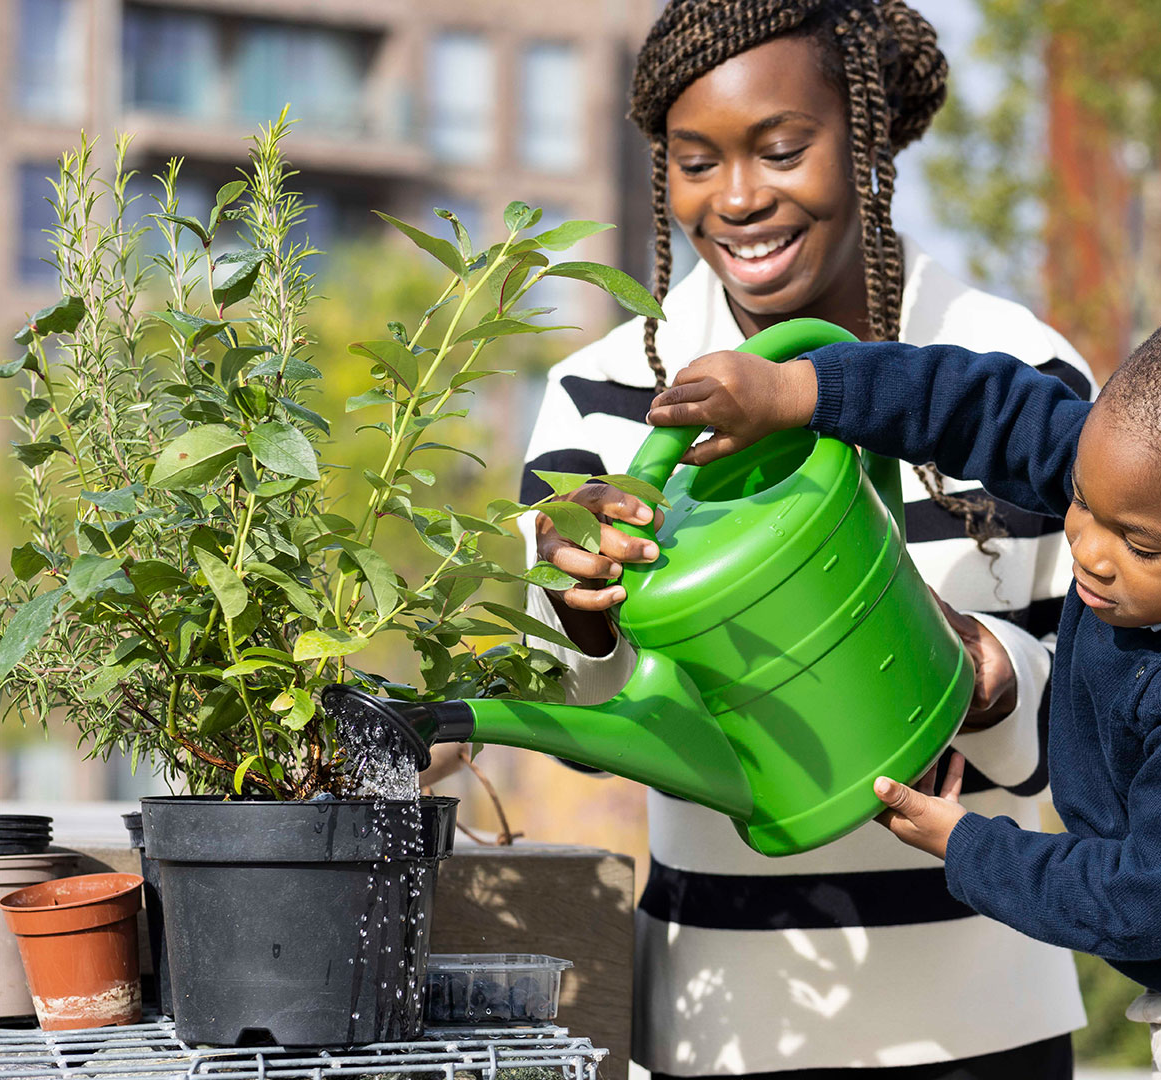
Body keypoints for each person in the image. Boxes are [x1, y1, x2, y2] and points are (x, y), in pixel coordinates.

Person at [422, 1, 1094, 1076]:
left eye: (782, 150)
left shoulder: (1016, 377)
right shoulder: (603, 395)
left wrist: (984, 674)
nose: (738, 198)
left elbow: (1103, 721)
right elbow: (557, 694)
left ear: (864, 143)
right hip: (724, 1022)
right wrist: (577, 605)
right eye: (697, 162)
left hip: (987, 1019)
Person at [646, 300, 1161, 1080]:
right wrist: (801, 392)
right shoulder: (1148, 487)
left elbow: (1144, 901)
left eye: (1139, 546)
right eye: (1080, 500)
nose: (1088, 549)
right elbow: (981, 406)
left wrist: (965, 843)